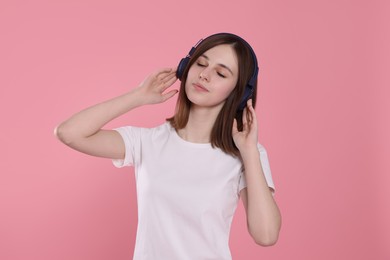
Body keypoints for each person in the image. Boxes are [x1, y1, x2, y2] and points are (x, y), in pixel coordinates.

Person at [55, 32, 281, 259]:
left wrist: (249, 152)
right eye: (200, 63)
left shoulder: (247, 153)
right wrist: (138, 96)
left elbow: (266, 235)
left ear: (239, 93)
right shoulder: (147, 142)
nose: (204, 75)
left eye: (220, 73)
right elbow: (69, 133)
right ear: (185, 68)